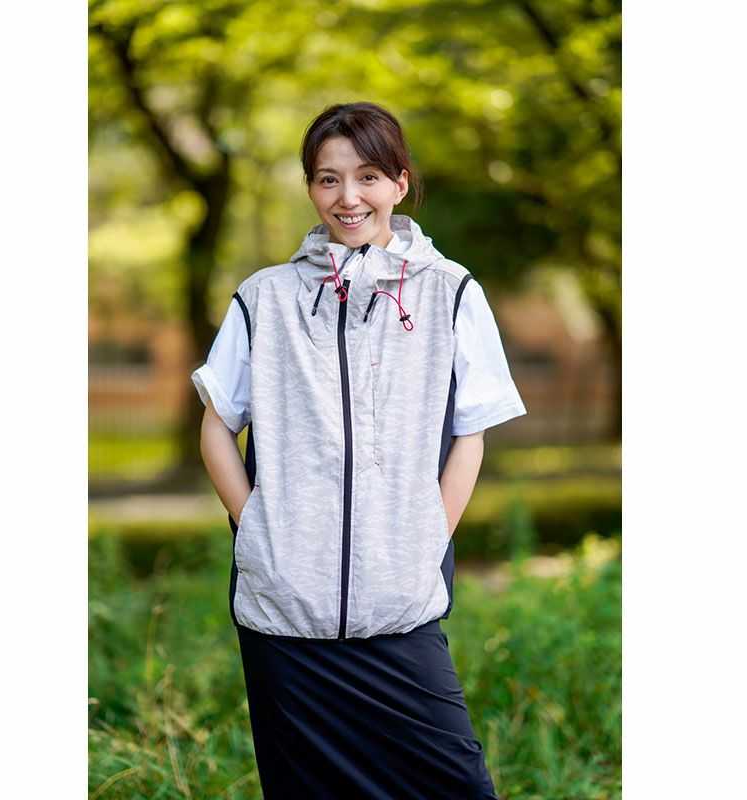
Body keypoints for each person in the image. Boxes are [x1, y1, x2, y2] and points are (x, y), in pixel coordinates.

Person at [191, 101, 526, 799]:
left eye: (368, 176)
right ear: (311, 188)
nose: (348, 197)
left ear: (400, 183)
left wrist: (428, 535)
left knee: (457, 787)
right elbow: (217, 424)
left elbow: (472, 431)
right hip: (285, 613)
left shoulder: (451, 292)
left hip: (400, 603)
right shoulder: (265, 297)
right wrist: (259, 531)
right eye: (328, 179)